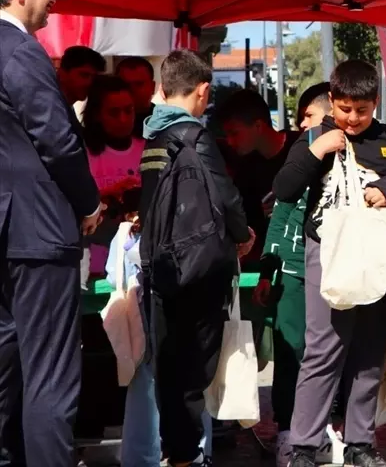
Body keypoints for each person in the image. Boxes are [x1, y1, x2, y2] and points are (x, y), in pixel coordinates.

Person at [273, 60, 386, 467]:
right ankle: (305, 447)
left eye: (361, 111)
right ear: (332, 100)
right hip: (327, 253)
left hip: (380, 256)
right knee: (323, 351)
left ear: (375, 103)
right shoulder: (316, 136)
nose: (352, 119)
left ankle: (361, 445)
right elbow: (284, 188)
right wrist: (315, 151)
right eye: (344, 109)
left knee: (369, 351)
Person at [0, 0, 101, 467]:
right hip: (37, 233)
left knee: (8, 373)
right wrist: (88, 202)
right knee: (49, 378)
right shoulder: (21, 52)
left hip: (10, 230)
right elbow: (58, 141)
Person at [138, 49, 254, 467]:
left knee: (170, 366)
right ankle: (186, 456)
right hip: (199, 269)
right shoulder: (194, 136)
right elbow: (226, 197)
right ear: (203, 92)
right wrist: (243, 235)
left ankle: (177, 453)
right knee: (193, 368)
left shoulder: (153, 138)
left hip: (162, 268)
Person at [255, 83, 331, 467]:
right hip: (291, 272)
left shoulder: (356, 157)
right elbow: (280, 213)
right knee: (291, 352)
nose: (302, 124)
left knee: (329, 355)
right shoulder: (298, 158)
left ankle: (324, 432)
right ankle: (287, 432)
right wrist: (268, 269)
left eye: (309, 116)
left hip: (337, 272)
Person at [217, 89, 302, 267]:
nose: (230, 142)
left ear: (258, 126)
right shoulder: (245, 168)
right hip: (267, 261)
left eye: (235, 133)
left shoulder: (301, 149)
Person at [82, 75, 145, 275]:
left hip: (137, 263)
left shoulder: (148, 149)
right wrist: (107, 193)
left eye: (129, 110)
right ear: (97, 114)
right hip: (93, 263)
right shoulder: (81, 152)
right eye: (114, 112)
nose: (123, 119)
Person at [116, 56, 157, 136]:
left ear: (152, 87)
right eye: (126, 85)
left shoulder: (166, 124)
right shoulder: (106, 125)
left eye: (139, 84)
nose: (132, 90)